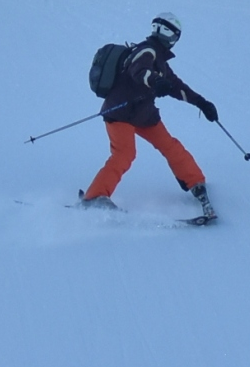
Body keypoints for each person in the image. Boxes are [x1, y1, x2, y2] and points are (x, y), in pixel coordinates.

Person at [80, 13, 218, 220]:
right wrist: (155, 81)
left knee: (170, 146)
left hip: (144, 114)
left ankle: (196, 182)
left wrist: (201, 103)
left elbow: (177, 86)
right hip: (120, 113)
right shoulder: (146, 51)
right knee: (124, 155)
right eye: (174, 36)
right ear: (169, 35)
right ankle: (94, 198)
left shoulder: (160, 60)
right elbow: (139, 71)